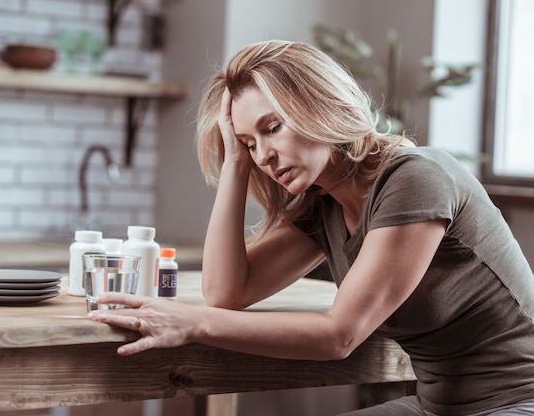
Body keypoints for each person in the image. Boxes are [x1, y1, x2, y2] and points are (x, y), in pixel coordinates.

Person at [87, 40, 534, 415]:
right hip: (439, 406)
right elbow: (227, 293)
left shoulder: (415, 178)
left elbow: (340, 334)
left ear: (317, 105)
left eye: (273, 128)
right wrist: (235, 165)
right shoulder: (326, 204)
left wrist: (192, 324)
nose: (263, 155)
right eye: (249, 142)